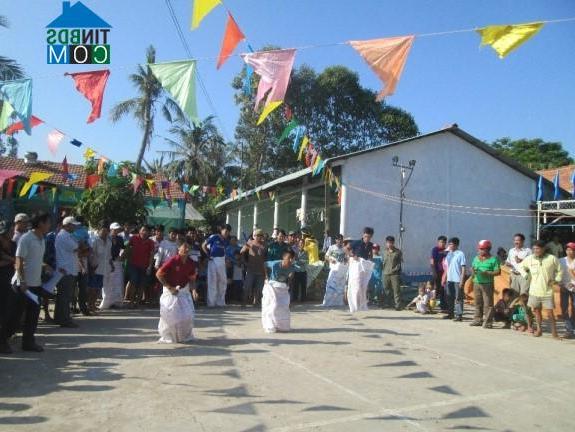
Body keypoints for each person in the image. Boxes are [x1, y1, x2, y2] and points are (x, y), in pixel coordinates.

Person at [0, 212, 51, 353]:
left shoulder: (42, 239)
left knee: (33, 316)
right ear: (40, 223)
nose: (49, 225)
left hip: (36, 284)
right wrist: (22, 281)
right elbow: (19, 260)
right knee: (14, 317)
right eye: (47, 222)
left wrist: (44, 265)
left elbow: (33, 259)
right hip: (22, 285)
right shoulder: (26, 239)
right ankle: (2, 341)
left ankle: (28, 342)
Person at [156, 241, 198, 343]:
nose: (186, 250)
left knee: (188, 315)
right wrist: (170, 287)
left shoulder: (191, 263)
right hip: (170, 290)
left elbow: (192, 279)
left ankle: (183, 336)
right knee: (170, 315)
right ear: (178, 249)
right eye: (184, 248)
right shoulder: (172, 260)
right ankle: (168, 336)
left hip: (183, 291)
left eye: (188, 248)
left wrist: (194, 290)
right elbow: (159, 274)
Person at [520, 240, 562, 338]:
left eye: (538, 248)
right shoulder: (529, 258)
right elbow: (520, 266)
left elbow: (560, 270)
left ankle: (554, 333)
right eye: (534, 248)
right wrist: (525, 275)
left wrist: (556, 280)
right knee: (536, 311)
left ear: (543, 249)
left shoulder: (552, 258)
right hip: (534, 291)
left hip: (547, 291)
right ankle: (539, 330)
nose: (535, 250)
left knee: (550, 313)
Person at [261, 250, 300, 333]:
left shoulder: (293, 266)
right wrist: (266, 276)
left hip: (282, 287)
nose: (290, 260)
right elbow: (264, 264)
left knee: (283, 306)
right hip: (271, 286)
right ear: (283, 257)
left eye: (292, 259)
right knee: (273, 305)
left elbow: (291, 276)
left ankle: (281, 326)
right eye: (288, 258)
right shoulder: (275, 264)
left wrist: (288, 282)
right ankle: (269, 325)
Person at [55, 216, 81, 327]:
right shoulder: (64, 236)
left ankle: (60, 318)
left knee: (63, 296)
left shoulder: (67, 236)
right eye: (73, 225)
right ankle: (65, 319)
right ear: (68, 225)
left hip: (68, 269)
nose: (75, 227)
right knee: (65, 296)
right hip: (66, 270)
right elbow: (77, 248)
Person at [469, 240, 501, 329]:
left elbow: (498, 272)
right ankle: (477, 320)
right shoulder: (476, 258)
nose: (479, 251)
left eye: (482, 249)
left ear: (488, 249)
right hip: (477, 283)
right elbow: (472, 267)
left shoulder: (493, 259)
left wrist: (488, 273)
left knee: (488, 304)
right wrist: (472, 270)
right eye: (479, 249)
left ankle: (488, 322)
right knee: (478, 302)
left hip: (487, 284)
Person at [125, 225, 156, 308]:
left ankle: (137, 303)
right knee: (133, 282)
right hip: (133, 265)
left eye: (146, 231)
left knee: (142, 285)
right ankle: (131, 301)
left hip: (145, 266)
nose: (144, 232)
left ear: (149, 233)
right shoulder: (133, 238)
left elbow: (151, 255)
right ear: (139, 231)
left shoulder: (151, 242)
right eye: (143, 230)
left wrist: (149, 267)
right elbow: (127, 249)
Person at [202, 224, 231, 307]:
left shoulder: (226, 240)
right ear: (221, 230)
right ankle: (211, 303)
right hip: (213, 260)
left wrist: (226, 260)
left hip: (221, 261)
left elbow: (224, 251)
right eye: (225, 231)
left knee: (223, 281)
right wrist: (208, 255)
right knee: (212, 281)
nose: (227, 233)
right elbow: (203, 245)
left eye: (228, 232)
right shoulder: (214, 236)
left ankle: (220, 302)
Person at [347, 235, 375, 313]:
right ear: (363, 235)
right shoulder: (356, 242)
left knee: (363, 287)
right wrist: (352, 255)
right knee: (355, 285)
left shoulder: (370, 244)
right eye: (366, 236)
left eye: (369, 237)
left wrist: (370, 260)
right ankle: (353, 306)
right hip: (356, 265)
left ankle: (362, 305)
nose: (367, 238)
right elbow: (346, 248)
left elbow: (370, 254)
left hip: (364, 266)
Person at [89, 222, 112, 312]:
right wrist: (91, 266)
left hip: (104, 268)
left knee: (98, 288)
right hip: (95, 268)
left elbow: (109, 255)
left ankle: (93, 305)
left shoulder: (109, 242)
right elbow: (90, 254)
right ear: (99, 231)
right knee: (92, 288)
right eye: (103, 231)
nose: (105, 233)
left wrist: (111, 265)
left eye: (107, 231)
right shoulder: (95, 241)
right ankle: (89, 305)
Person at [101, 222, 125, 309]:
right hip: (107, 262)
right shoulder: (106, 238)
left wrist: (121, 255)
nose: (116, 231)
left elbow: (123, 248)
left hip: (117, 262)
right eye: (115, 229)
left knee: (118, 282)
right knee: (107, 283)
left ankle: (116, 302)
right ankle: (106, 302)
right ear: (111, 229)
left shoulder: (120, 238)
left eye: (117, 229)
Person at [241, 229, 267, 307]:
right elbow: (241, 252)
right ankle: (244, 302)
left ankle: (256, 303)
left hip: (261, 270)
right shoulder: (249, 243)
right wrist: (245, 262)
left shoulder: (265, 245)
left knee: (259, 289)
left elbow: (266, 257)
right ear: (253, 236)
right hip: (251, 270)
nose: (258, 237)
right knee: (247, 287)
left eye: (260, 235)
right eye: (256, 235)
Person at [322, 234, 348, 307]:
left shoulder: (344, 249)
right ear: (336, 240)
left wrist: (345, 261)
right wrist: (330, 259)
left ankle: (338, 302)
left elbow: (346, 258)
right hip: (333, 270)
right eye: (338, 239)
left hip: (341, 271)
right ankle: (328, 302)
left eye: (341, 239)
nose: (339, 241)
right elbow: (326, 256)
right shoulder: (331, 247)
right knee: (330, 286)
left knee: (340, 287)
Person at [444, 237, 466, 321]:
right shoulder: (448, 254)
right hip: (449, 279)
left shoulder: (460, 254)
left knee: (458, 298)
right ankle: (450, 314)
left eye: (451, 244)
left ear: (456, 245)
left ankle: (459, 315)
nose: (449, 246)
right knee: (449, 297)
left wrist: (461, 280)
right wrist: (445, 277)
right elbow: (447, 267)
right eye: (448, 244)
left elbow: (463, 268)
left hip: (457, 280)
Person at [0, 220, 16, 325]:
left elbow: (17, 259)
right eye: (10, 231)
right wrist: (12, 260)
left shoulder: (13, 244)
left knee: (8, 308)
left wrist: (8, 259)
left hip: (10, 280)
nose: (12, 233)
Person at [559, 242, 575, 339]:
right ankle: (568, 330)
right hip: (564, 287)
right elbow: (557, 274)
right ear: (566, 250)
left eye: (572, 250)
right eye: (568, 249)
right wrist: (560, 284)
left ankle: (573, 328)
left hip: (574, 287)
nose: (570, 251)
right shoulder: (561, 260)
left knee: (574, 308)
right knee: (564, 308)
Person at [383, 236, 403, 310]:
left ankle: (398, 305)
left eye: (391, 243)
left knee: (396, 290)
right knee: (386, 289)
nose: (389, 244)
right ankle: (388, 304)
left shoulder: (398, 252)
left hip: (395, 274)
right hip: (385, 273)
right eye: (388, 243)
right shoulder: (384, 252)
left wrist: (396, 270)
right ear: (386, 243)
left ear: (393, 243)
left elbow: (399, 263)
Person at [430, 236, 448, 312]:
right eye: (441, 242)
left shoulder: (447, 251)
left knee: (443, 290)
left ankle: (443, 306)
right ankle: (429, 305)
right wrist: (434, 272)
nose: (442, 243)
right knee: (435, 290)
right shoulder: (435, 250)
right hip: (437, 273)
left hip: (444, 274)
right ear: (438, 242)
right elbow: (432, 261)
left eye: (444, 242)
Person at [292, 238, 308, 302]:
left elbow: (307, 261)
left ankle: (303, 299)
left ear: (304, 244)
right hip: (296, 271)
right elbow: (293, 261)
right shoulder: (295, 252)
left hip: (303, 271)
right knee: (295, 286)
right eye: (300, 243)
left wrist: (299, 261)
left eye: (302, 243)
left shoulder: (306, 252)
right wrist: (300, 261)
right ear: (298, 244)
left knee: (303, 286)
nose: (301, 244)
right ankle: (295, 298)